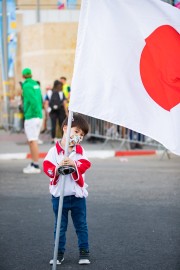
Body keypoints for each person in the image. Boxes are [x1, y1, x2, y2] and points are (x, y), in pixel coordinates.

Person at [43, 113, 91, 265]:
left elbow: (85, 165)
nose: (79, 136)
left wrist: (73, 163)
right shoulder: (53, 151)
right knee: (60, 226)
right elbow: (47, 167)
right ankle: (58, 254)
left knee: (81, 225)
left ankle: (84, 252)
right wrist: (58, 169)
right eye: (76, 132)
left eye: (81, 135)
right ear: (65, 128)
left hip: (77, 197)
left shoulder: (80, 151)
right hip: (59, 196)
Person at [21, 68, 43, 174]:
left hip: (32, 116)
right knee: (32, 140)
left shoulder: (26, 85)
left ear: (23, 76)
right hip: (38, 115)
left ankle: (35, 165)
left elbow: (32, 100)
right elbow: (39, 98)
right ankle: (33, 163)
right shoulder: (36, 84)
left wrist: (32, 112)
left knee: (33, 140)